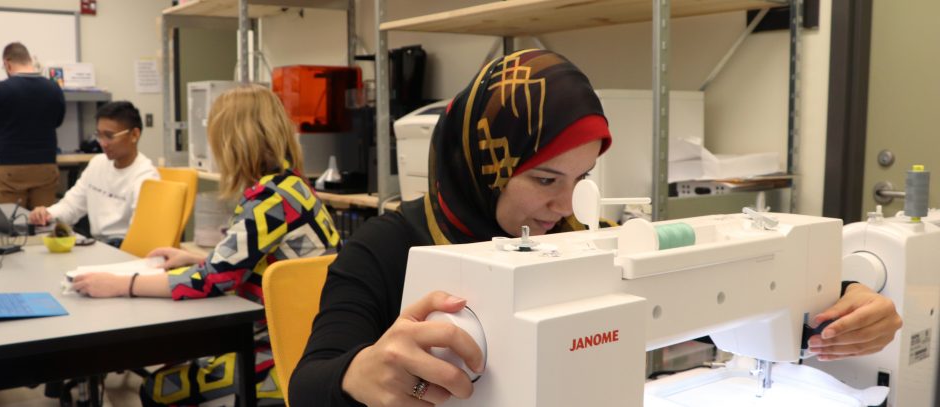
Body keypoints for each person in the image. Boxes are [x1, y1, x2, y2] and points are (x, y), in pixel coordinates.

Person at [289, 49, 904, 406]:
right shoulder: (385, 251)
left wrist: (834, 311)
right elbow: (306, 386)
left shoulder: (588, 234)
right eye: (544, 179)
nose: (564, 207)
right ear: (484, 161)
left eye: (581, 180)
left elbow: (707, 291)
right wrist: (357, 374)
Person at [70, 84, 341, 406]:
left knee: (159, 388)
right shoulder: (292, 187)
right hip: (307, 343)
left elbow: (215, 279)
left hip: (278, 356)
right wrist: (193, 257)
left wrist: (122, 285)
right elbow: (246, 261)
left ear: (231, 141)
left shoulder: (269, 199)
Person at [28, 101, 158, 246]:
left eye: (109, 136)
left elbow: (140, 237)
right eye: (99, 135)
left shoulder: (146, 178)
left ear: (134, 135)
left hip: (124, 249)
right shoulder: (98, 163)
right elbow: (71, 206)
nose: (103, 143)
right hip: (99, 245)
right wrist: (47, 214)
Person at [0, 42, 66, 209]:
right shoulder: (54, 88)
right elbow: (58, 122)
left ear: (7, 63)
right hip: (45, 165)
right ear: (29, 60)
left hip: (11, 166)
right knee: (44, 223)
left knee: (12, 227)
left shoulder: (0, 89)